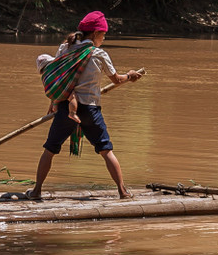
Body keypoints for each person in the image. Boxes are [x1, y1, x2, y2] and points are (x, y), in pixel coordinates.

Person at [27, 11, 142, 200]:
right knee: (106, 150)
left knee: (49, 149)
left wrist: (53, 102)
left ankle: (37, 191)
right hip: (90, 109)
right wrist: (129, 76)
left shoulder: (65, 48)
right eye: (103, 35)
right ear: (96, 34)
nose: (103, 39)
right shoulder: (99, 54)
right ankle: (123, 192)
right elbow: (116, 79)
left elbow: (60, 78)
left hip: (65, 108)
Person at [36, 53, 81, 124]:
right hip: (61, 90)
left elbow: (52, 87)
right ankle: (72, 113)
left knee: (56, 100)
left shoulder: (45, 75)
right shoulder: (55, 70)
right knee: (72, 97)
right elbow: (60, 82)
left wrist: (52, 102)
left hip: (52, 94)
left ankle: (55, 108)